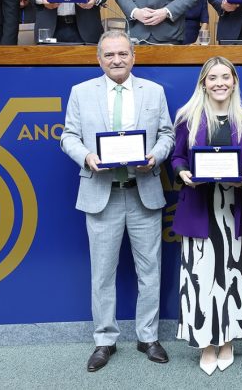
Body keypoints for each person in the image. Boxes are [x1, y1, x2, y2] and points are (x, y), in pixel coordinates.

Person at [60, 30, 174, 372]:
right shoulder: (81, 93)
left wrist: (154, 156)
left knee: (150, 271)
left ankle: (148, 336)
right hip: (101, 194)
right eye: (109, 55)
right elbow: (68, 136)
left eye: (123, 54)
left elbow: (167, 134)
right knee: (102, 274)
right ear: (99, 59)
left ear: (133, 57)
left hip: (143, 194)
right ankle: (104, 340)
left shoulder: (154, 92)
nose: (117, 60)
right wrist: (86, 157)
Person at [170, 57, 242, 375]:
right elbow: (178, 156)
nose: (220, 82)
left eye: (226, 76)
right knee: (200, 279)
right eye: (213, 78)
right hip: (199, 207)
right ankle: (206, 342)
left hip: (234, 210)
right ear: (203, 83)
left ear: (235, 81)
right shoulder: (188, 117)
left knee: (233, 278)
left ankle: (228, 341)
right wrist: (182, 173)